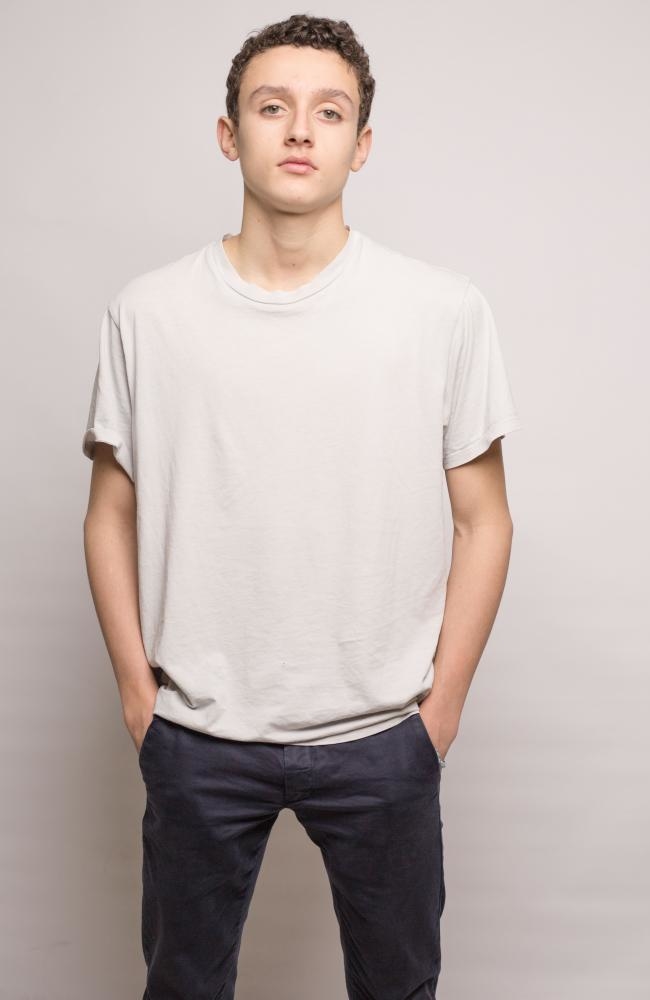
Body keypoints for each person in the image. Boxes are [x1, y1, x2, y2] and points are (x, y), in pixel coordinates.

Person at [81, 13, 522, 1000]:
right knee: (184, 988)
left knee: (398, 987)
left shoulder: (441, 309)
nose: (297, 130)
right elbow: (109, 511)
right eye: (271, 106)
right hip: (197, 735)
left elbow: (483, 518)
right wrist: (139, 698)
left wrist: (439, 711)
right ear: (228, 133)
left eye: (328, 112)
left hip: (382, 735)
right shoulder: (147, 314)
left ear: (360, 145)